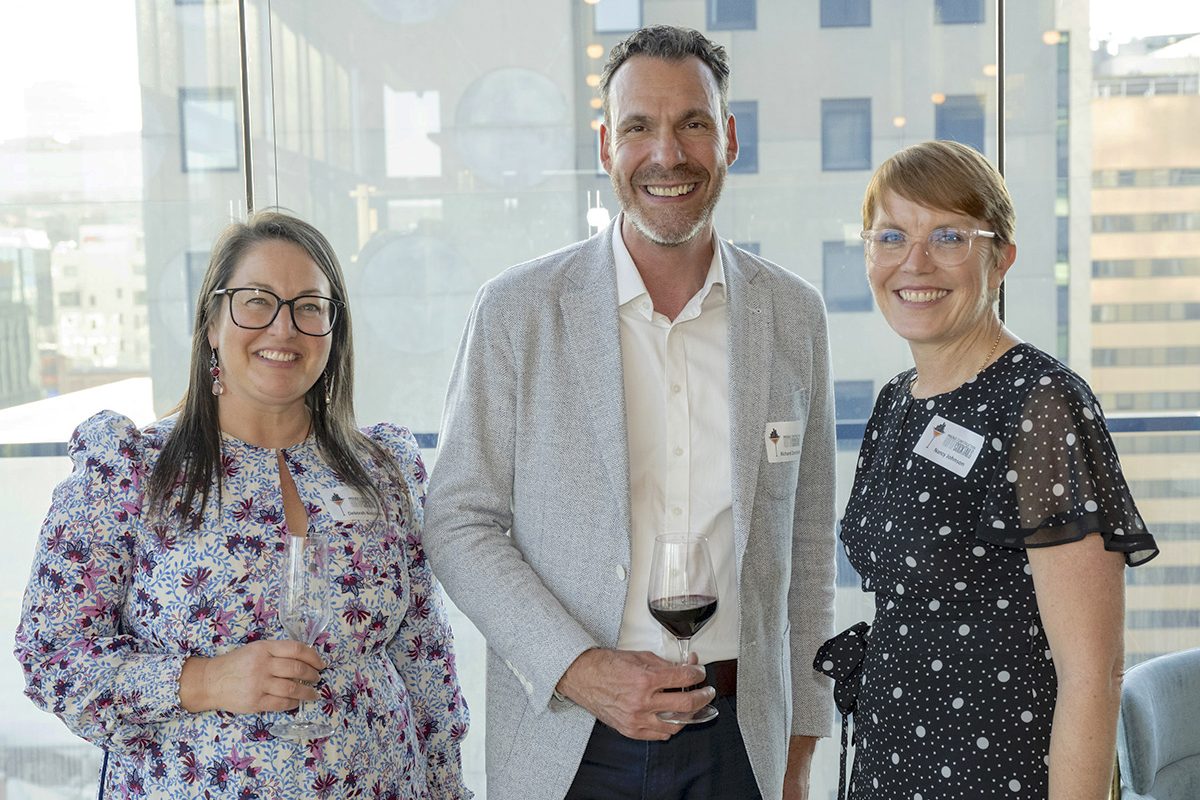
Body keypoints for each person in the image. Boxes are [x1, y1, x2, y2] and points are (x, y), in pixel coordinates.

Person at [424, 24, 835, 800]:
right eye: (640, 127)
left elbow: (808, 543)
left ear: (729, 138)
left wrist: (801, 742)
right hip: (569, 736)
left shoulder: (793, 315)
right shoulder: (516, 311)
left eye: (693, 124)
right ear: (608, 145)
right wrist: (581, 670)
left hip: (743, 737)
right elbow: (457, 519)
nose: (667, 154)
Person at [14, 211, 470, 799]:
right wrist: (204, 681)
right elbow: (53, 659)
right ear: (211, 321)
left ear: (334, 332)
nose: (284, 329)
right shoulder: (129, 470)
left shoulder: (385, 469)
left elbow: (424, 653)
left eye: (309, 306)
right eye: (257, 301)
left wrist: (448, 788)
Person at [826, 140, 1159, 799]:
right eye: (891, 235)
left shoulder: (1040, 405)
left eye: (947, 236)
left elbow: (1093, 674)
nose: (913, 262)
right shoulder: (897, 401)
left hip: (998, 780)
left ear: (1001, 259)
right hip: (891, 773)